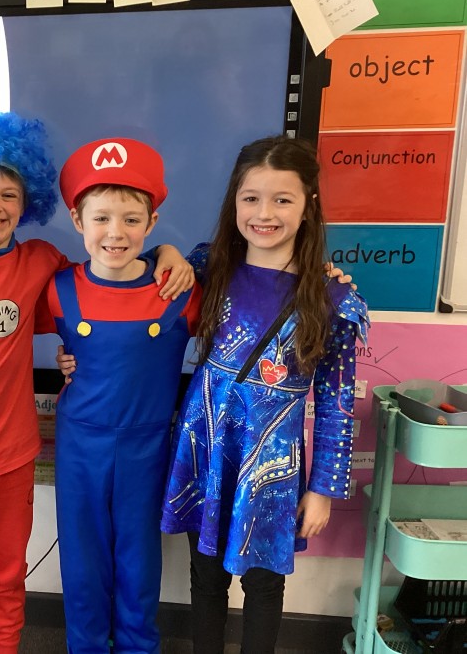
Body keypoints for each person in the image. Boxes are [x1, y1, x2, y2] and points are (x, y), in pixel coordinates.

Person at [0, 112, 190, 654]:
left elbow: (110, 277)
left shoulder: (42, 265)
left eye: (9, 194)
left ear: (26, 202)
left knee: (17, 572)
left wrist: (166, 255)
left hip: (18, 456)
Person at [158, 136, 369, 654]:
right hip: (207, 447)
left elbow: (337, 405)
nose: (264, 213)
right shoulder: (209, 266)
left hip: (271, 465)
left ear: (308, 206)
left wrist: (322, 489)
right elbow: (137, 279)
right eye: (251, 198)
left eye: (282, 199)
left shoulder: (334, 299)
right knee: (205, 576)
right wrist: (165, 250)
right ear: (234, 201)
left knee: (264, 585)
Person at [34, 137, 202, 654]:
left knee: (138, 558)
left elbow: (246, 280)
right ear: (76, 219)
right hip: (79, 445)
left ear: (152, 223)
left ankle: (138, 646)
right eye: (101, 218)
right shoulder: (57, 288)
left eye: (131, 219)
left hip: (147, 447)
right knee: (82, 557)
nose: (115, 232)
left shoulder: (179, 289)